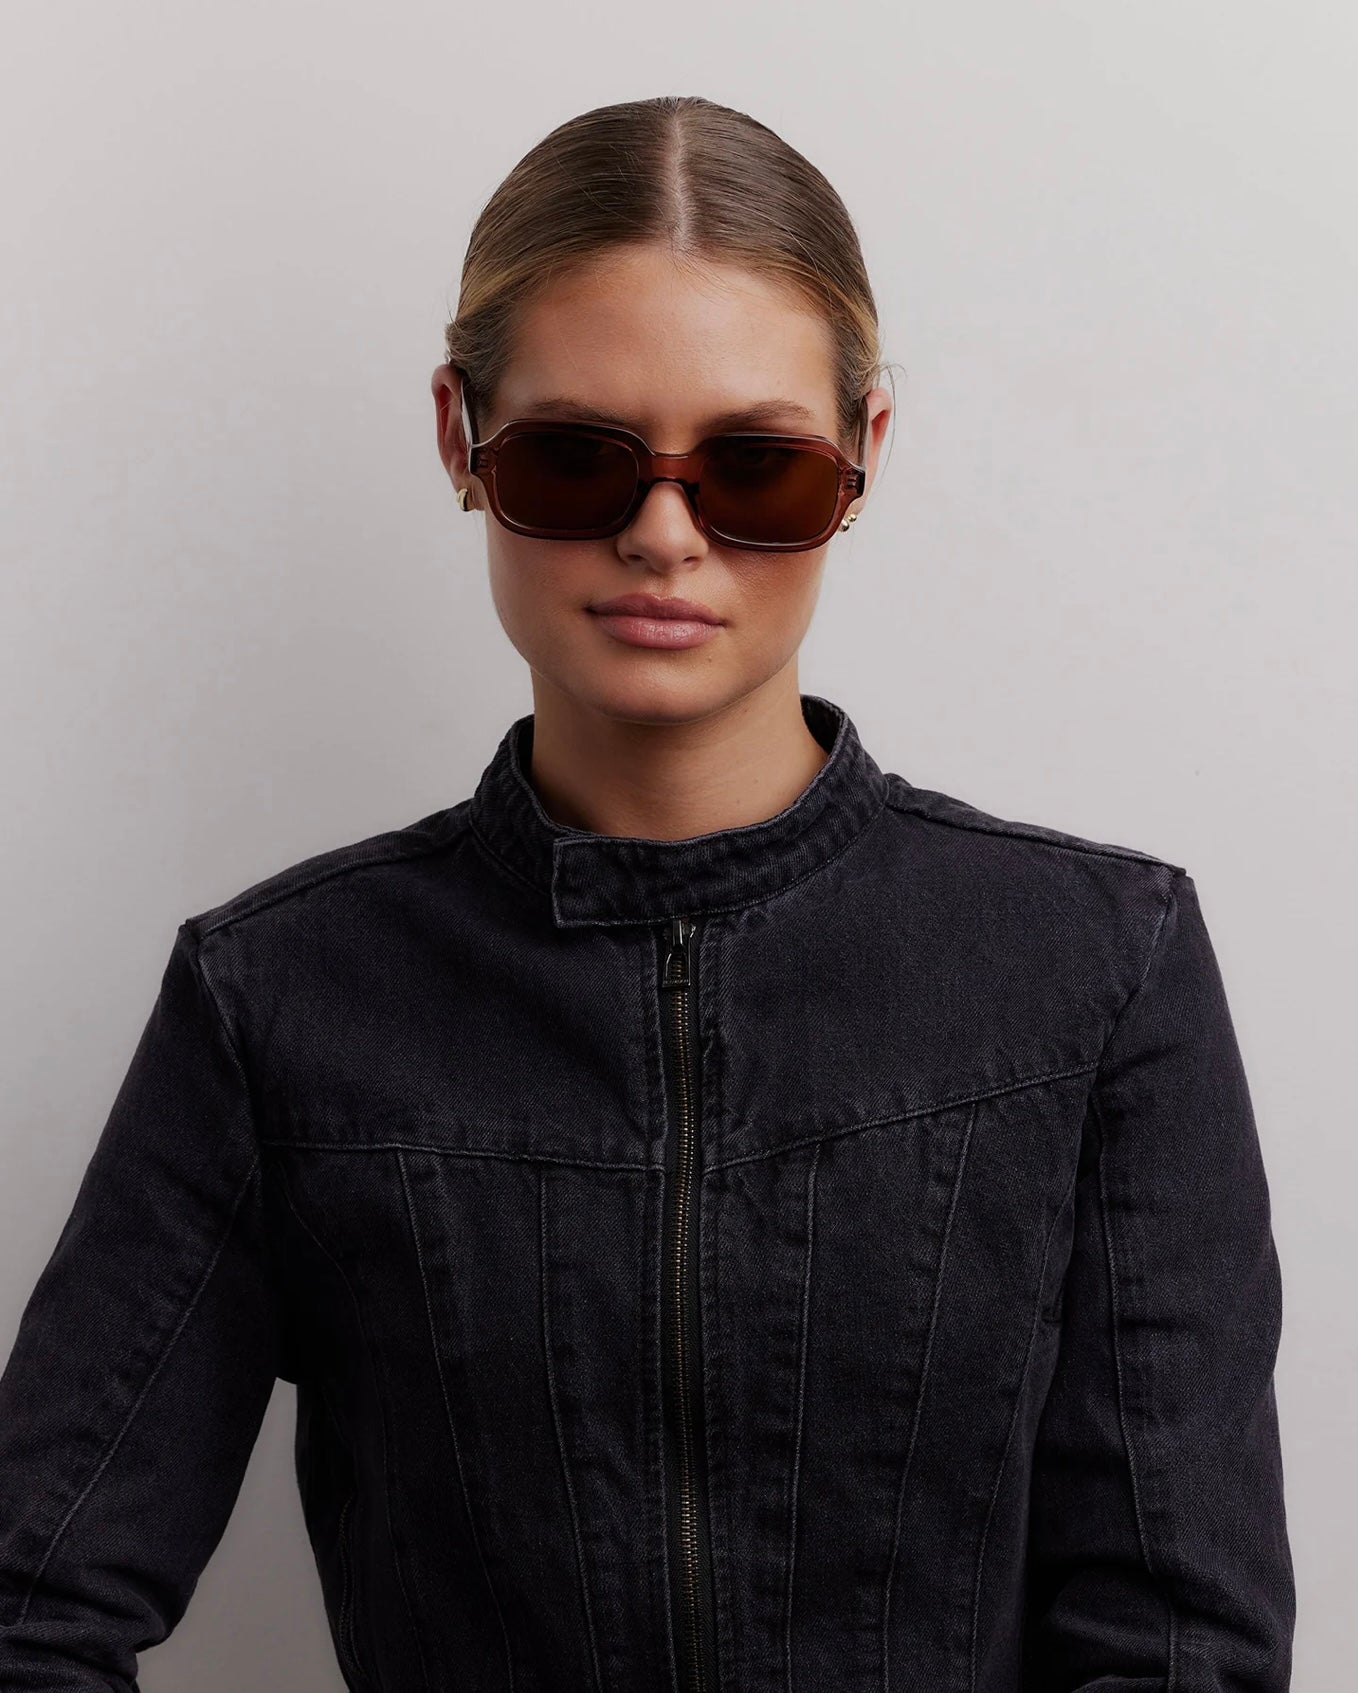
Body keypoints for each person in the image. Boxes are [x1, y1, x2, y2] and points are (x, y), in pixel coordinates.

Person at [0, 94, 1294, 1692]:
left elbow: (1178, 1639)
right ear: (460, 439)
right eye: (574, 459)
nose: (663, 535)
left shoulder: (1098, 970)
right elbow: (32, 1607)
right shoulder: (276, 999)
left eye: (755, 467)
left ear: (862, 455)